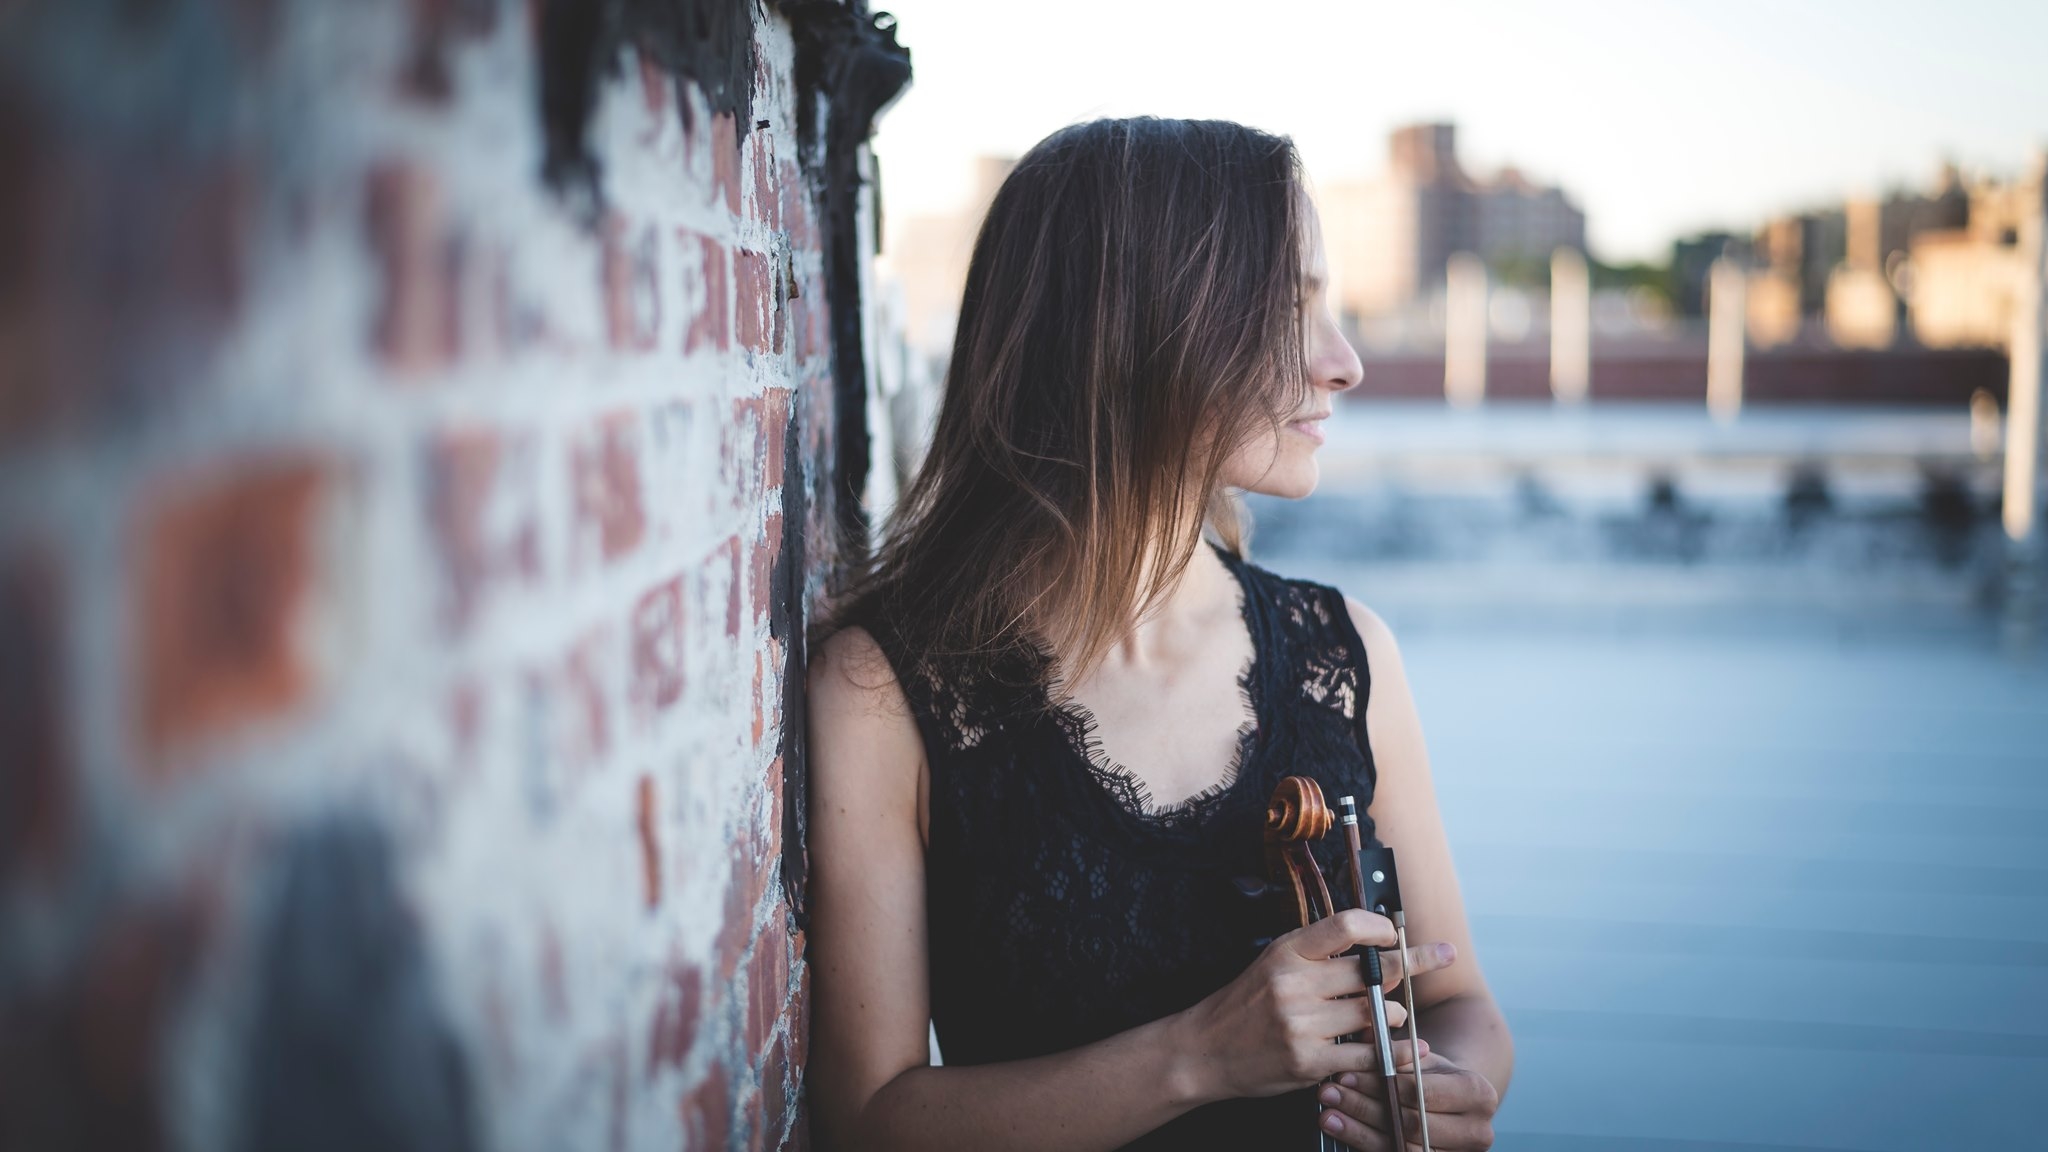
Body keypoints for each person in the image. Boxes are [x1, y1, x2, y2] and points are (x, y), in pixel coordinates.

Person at [807, 116, 1513, 1151]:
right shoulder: (882, 694)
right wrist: (1199, 1057)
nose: (1344, 362)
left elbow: (1460, 1007)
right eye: (1287, 309)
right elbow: (868, 1121)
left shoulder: (1342, 653)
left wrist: (1450, 1088)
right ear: (1136, 331)